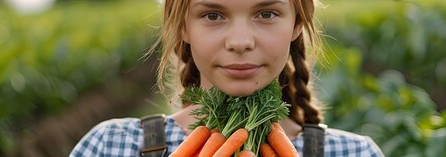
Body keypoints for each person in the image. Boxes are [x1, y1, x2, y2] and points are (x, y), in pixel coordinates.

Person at [70, 0, 384, 156]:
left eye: (266, 13)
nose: (240, 41)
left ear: (297, 23)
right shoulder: (111, 146)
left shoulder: (353, 153)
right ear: (183, 26)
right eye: (213, 15)